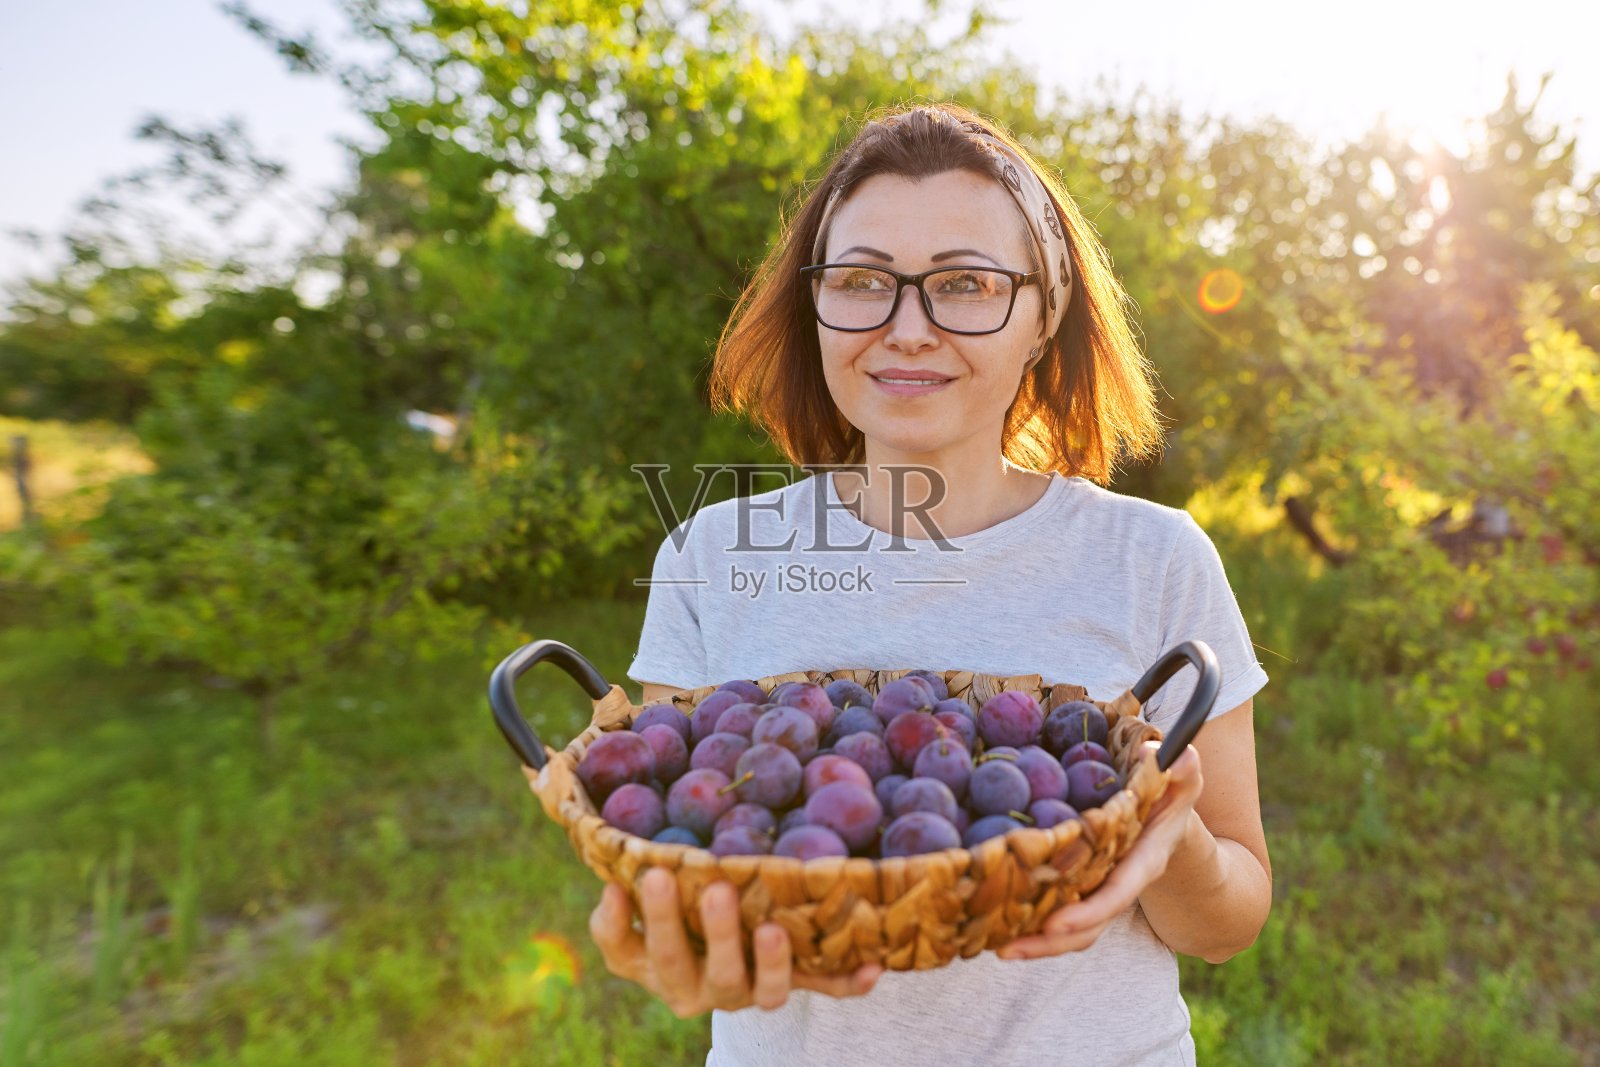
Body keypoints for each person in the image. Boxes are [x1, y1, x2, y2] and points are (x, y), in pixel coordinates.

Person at [593, 103, 1272, 1066]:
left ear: (1042, 315)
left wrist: (1168, 831)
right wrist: (681, 941)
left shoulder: (1153, 558)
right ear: (814, 305)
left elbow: (1229, 924)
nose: (906, 329)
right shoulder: (713, 552)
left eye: (965, 283)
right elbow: (685, 846)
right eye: (861, 281)